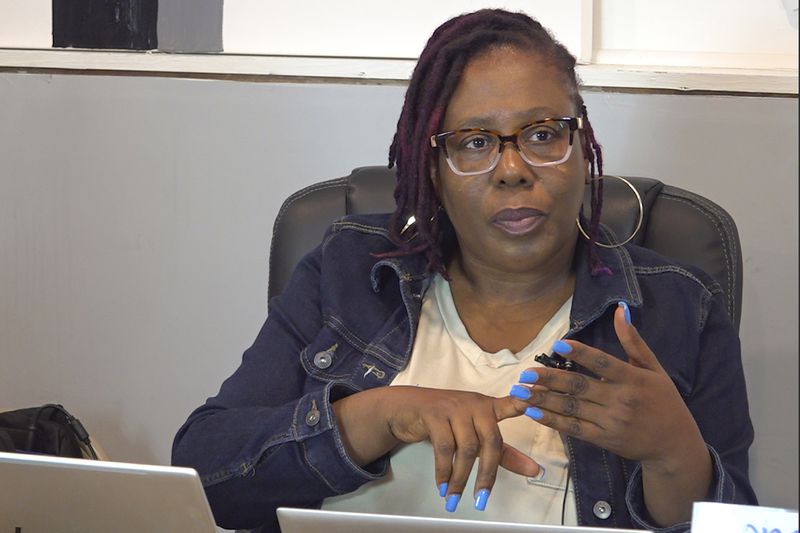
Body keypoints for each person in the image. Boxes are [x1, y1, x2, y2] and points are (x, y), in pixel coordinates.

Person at [172, 9, 757, 532]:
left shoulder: (681, 307)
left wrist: (676, 454)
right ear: (432, 169)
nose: (512, 169)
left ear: (583, 150)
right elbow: (205, 476)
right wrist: (381, 415)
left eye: (542, 134)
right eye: (475, 142)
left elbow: (734, 528)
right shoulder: (348, 269)